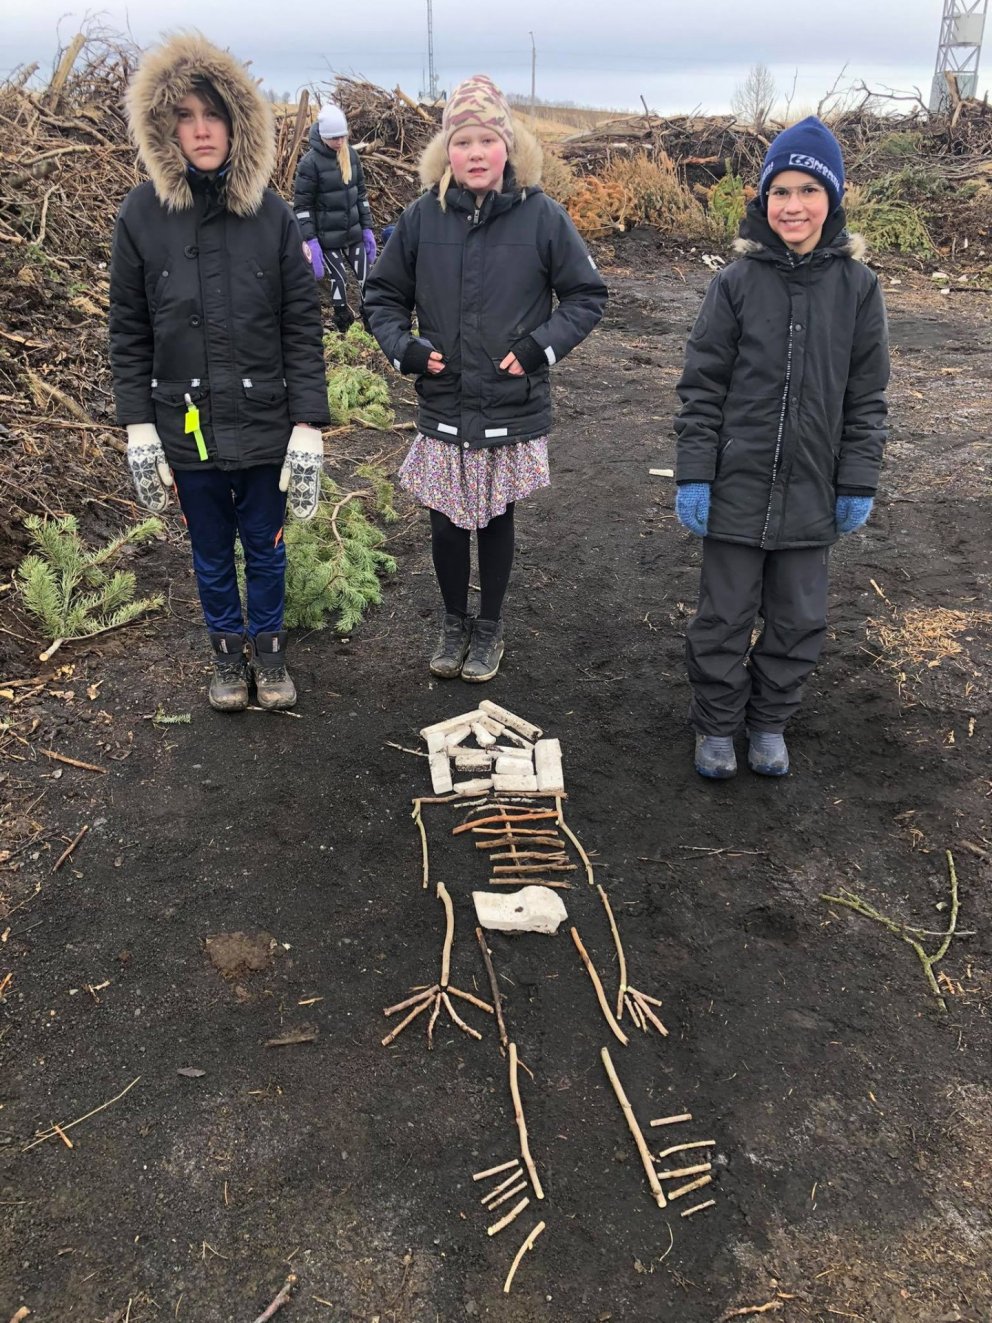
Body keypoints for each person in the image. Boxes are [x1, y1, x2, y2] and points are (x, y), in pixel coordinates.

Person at [109, 33, 330, 713]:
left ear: (237, 124)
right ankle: (226, 657)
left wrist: (308, 424)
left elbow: (301, 323)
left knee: (265, 549)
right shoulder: (141, 216)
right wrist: (138, 425)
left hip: (265, 425)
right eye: (187, 117)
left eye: (214, 116)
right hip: (188, 428)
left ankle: (269, 653)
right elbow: (129, 328)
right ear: (165, 126)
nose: (202, 131)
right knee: (210, 554)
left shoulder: (270, 215)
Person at [364, 74, 607, 682]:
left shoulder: (543, 217)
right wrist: (406, 351)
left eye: (487, 141)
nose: (475, 153)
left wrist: (537, 349)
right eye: (462, 141)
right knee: (445, 521)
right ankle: (453, 624)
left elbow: (585, 296)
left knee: (497, 519)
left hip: (509, 401)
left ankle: (489, 628)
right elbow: (382, 297)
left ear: (509, 147)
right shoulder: (422, 218)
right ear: (447, 151)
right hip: (444, 398)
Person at [674, 115, 889, 778]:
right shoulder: (735, 283)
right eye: (781, 192)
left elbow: (867, 397)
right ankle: (717, 726)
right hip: (735, 486)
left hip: (811, 490)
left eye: (808, 191)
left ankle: (768, 721)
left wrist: (856, 479)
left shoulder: (860, 289)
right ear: (763, 201)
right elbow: (702, 384)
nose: (793, 205)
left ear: (833, 198)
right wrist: (695, 474)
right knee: (724, 614)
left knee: (798, 617)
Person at [293, 103, 376, 333]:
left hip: (353, 234)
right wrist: (310, 241)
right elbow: (302, 206)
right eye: (334, 138)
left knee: (366, 279)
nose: (339, 142)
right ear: (322, 136)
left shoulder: (350, 155)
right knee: (339, 280)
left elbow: (361, 194)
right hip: (327, 239)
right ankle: (343, 326)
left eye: (342, 137)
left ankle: (371, 322)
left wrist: (367, 229)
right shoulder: (309, 164)